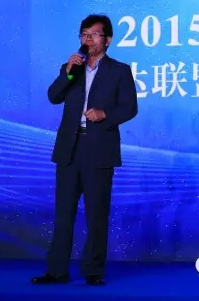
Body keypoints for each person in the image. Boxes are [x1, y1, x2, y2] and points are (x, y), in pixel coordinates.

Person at [31, 14, 138, 286]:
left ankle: (92, 271)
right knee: (63, 213)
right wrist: (69, 70)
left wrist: (105, 114)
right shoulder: (71, 68)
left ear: (108, 40)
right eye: (84, 34)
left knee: (96, 214)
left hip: (99, 149)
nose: (87, 39)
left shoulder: (120, 71)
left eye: (94, 34)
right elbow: (54, 96)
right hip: (70, 148)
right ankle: (56, 271)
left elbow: (130, 108)